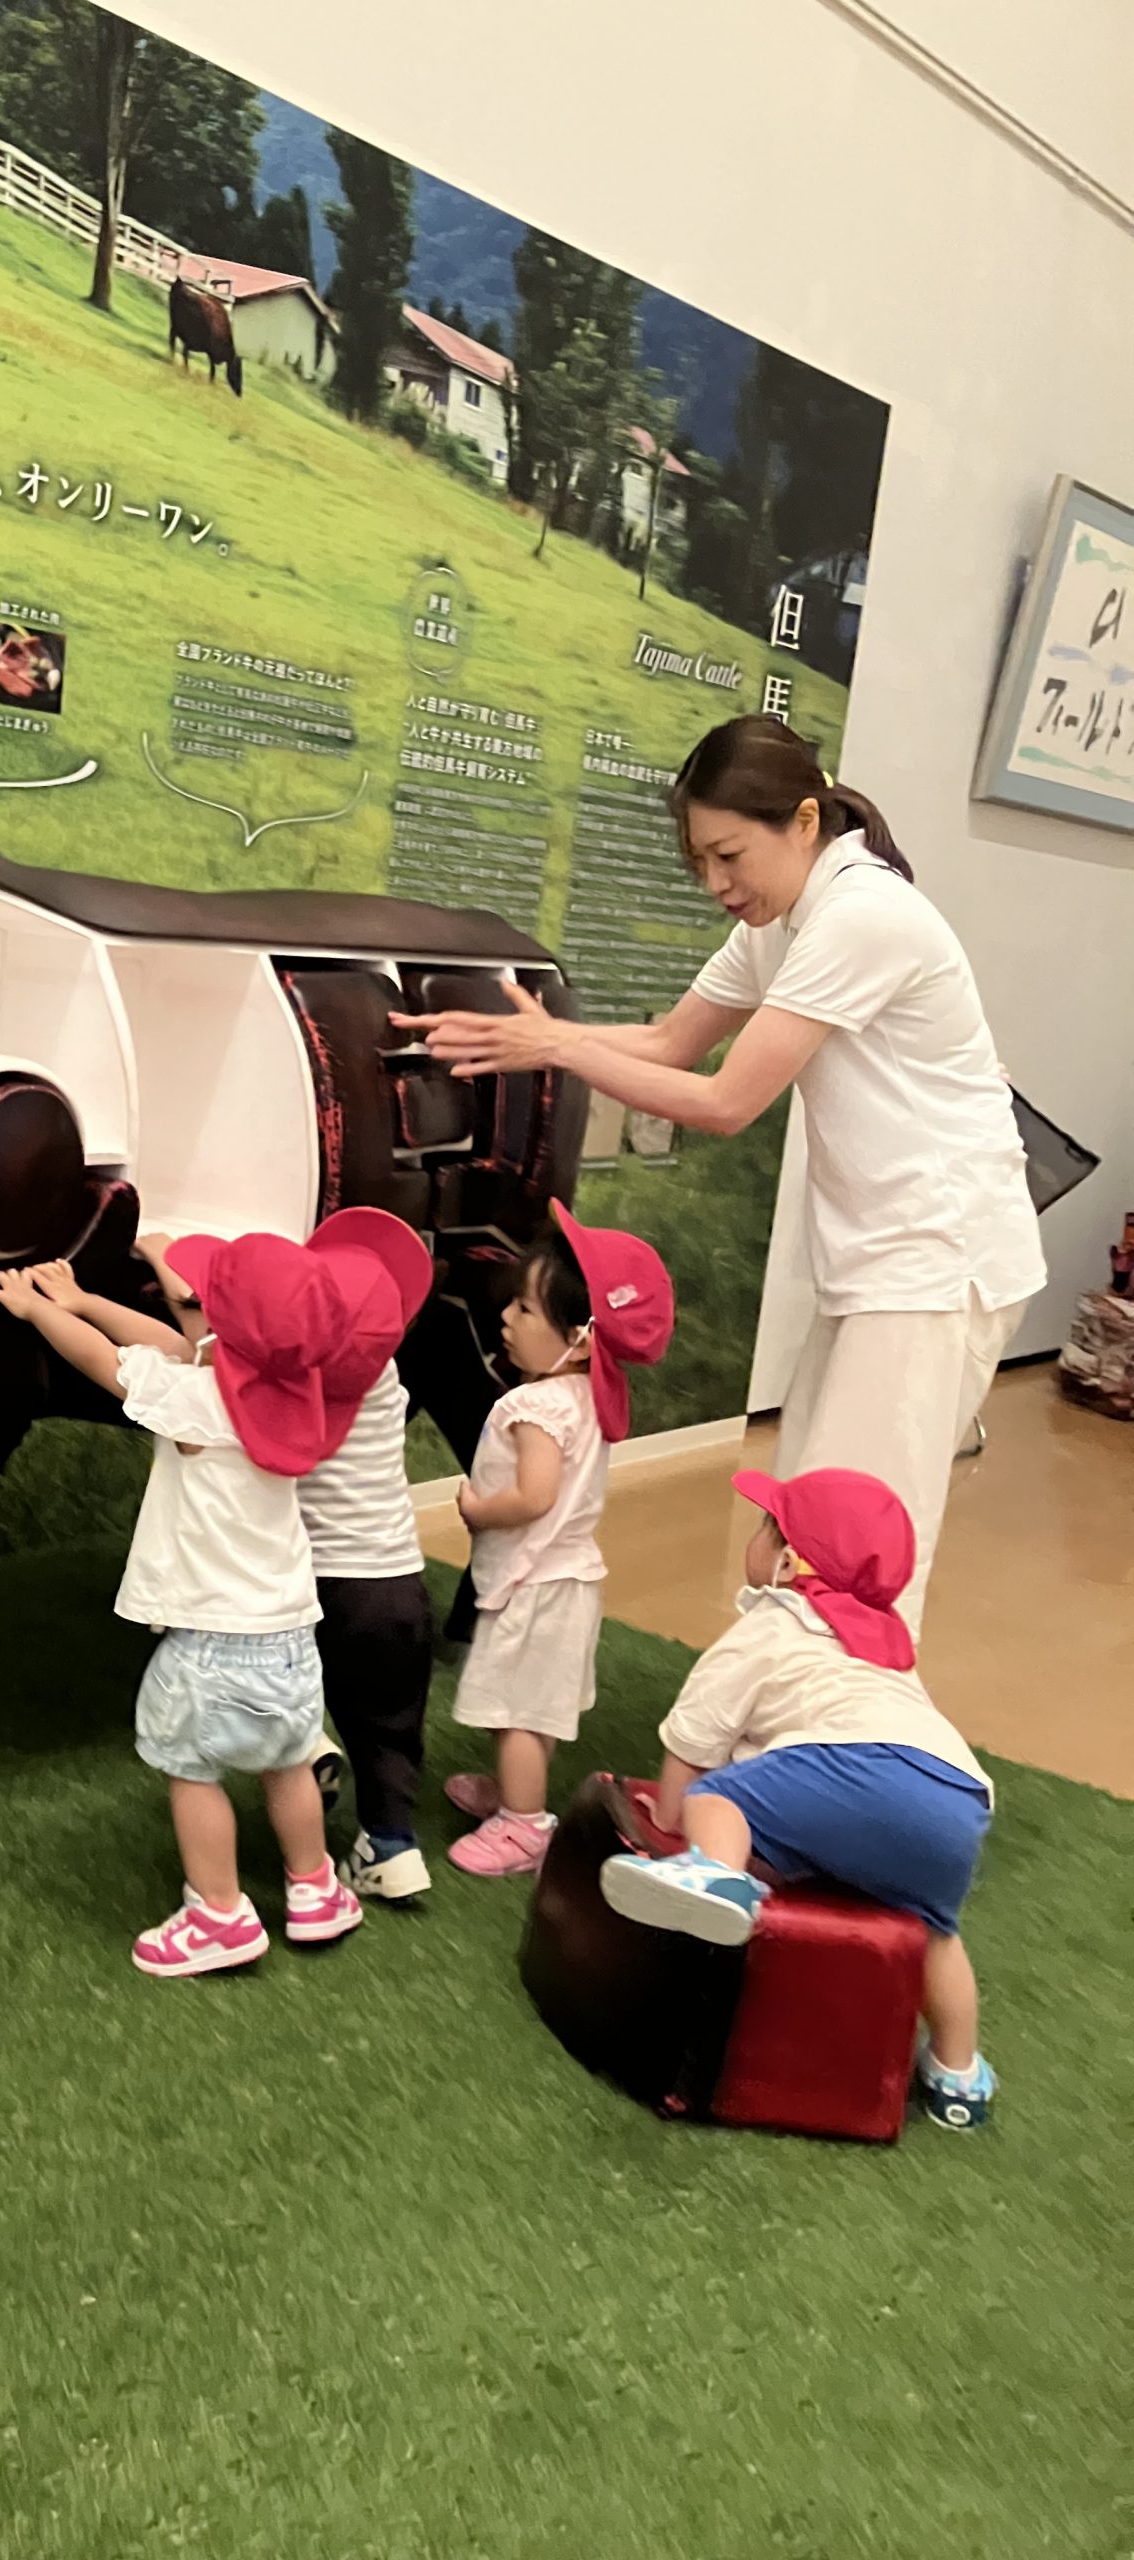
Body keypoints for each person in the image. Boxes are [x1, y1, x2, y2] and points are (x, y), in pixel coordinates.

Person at [394, 716, 1043, 1633]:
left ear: (805, 822)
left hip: (939, 1259)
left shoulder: (863, 915)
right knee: (806, 1515)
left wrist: (557, 1047)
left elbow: (725, 1100)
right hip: (882, 1258)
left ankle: (836, 1720)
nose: (716, 884)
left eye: (729, 855)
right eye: (700, 861)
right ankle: (775, 1713)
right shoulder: (782, 918)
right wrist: (533, 1039)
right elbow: (671, 1042)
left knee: (859, 1546)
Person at [0, 1224, 415, 1977]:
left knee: (192, 1769)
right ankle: (315, 1889)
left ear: (224, 1327)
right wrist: (85, 1299)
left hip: (213, 1643)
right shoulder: (301, 1393)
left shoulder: (196, 1402)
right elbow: (177, 1345)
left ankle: (219, 1914)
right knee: (287, 1762)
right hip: (290, 1635)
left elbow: (106, 1361)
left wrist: (38, 1310)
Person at [600, 1467, 997, 2131]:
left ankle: (715, 1875)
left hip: (853, 1764)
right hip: (957, 1794)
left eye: (766, 1528)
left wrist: (670, 1816)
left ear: (787, 1563)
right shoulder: (887, 1644)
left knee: (719, 1797)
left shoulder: (774, 1623)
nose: (754, 1539)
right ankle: (959, 2074)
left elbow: (696, 1734)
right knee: (933, 1930)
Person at [145, 1215, 440, 1905]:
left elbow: (202, 1334)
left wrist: (160, 1250)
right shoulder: (384, 1374)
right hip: (395, 1582)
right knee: (389, 1718)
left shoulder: (285, 1380)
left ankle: (308, 1752)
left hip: (309, 1586)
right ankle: (391, 1844)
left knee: (286, 1692)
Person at [447, 1207, 673, 1878]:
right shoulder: (586, 1395)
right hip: (564, 1579)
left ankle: (523, 1826)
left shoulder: (534, 1406)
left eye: (524, 1308)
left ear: (577, 1339)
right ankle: (517, 1793)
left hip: (533, 1583)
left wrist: (478, 1509)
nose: (506, 1318)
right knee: (531, 1704)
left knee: (515, 1710)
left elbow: (534, 1495)